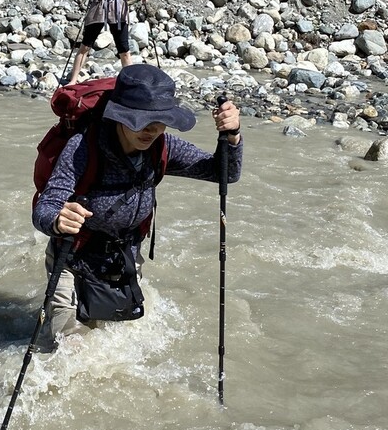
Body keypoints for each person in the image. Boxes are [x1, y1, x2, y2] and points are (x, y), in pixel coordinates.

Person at [33, 65, 243, 347]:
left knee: (115, 345)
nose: (151, 130)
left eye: (159, 121)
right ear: (120, 116)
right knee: (69, 350)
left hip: (124, 261)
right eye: (142, 121)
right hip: (73, 262)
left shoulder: (161, 145)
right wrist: (58, 219)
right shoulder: (84, 147)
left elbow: (223, 173)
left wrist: (233, 137)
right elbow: (45, 206)